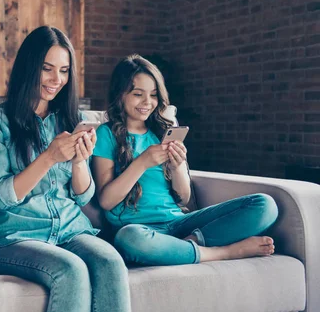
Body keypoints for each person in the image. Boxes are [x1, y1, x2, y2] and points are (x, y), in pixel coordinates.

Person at [0, 26, 131, 312]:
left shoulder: (70, 120)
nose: (55, 80)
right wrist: (48, 157)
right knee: (71, 270)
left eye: (63, 71)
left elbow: (83, 196)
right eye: (46, 69)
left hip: (71, 228)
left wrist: (78, 161)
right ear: (29, 67)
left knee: (110, 262)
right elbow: (2, 196)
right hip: (18, 236)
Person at [91, 54, 279, 266]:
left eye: (153, 95)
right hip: (139, 229)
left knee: (265, 205)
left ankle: (189, 244)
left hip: (179, 223)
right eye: (137, 94)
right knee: (129, 239)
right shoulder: (106, 135)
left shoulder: (161, 131)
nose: (147, 102)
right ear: (120, 95)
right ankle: (225, 252)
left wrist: (178, 165)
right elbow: (106, 201)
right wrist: (142, 162)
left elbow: (183, 199)